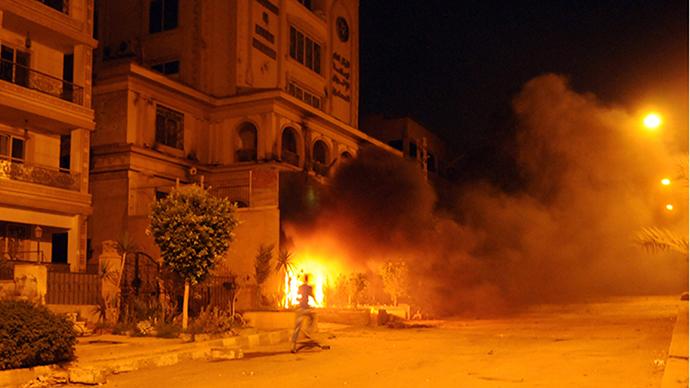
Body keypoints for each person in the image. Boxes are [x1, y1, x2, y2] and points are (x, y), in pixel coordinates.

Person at [291, 273, 317, 353]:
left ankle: (293, 345)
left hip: (299, 309)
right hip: (305, 308)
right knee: (312, 317)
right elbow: (312, 295)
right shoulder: (309, 287)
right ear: (308, 279)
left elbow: (298, 295)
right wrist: (315, 301)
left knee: (297, 327)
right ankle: (307, 329)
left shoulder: (300, 287)